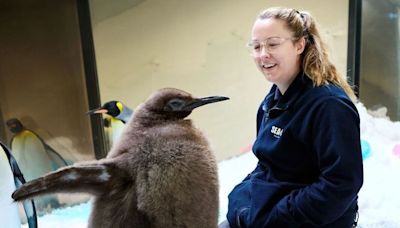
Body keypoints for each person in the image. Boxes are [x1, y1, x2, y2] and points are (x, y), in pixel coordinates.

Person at [220, 7, 363, 228]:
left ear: (299, 45)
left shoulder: (329, 105)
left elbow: (340, 184)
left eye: (273, 44)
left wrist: (275, 218)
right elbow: (267, 166)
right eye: (256, 46)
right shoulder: (271, 103)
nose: (263, 54)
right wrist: (241, 203)